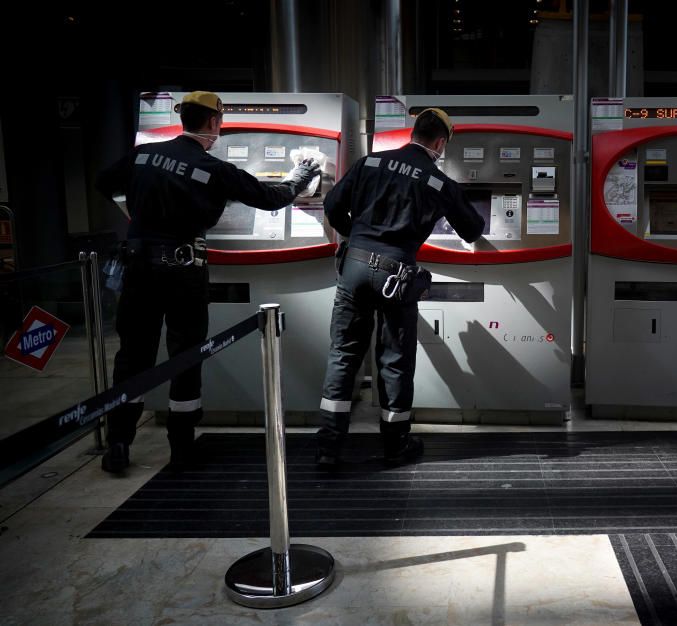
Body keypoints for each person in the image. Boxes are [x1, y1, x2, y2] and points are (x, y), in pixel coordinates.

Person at [95, 91, 320, 473]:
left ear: (184, 120)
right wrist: (301, 174)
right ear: (215, 123)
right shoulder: (214, 169)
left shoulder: (143, 155)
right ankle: (182, 449)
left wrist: (140, 209)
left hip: (139, 268)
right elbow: (272, 197)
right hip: (184, 270)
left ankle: (118, 444)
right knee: (186, 356)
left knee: (133, 356)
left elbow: (105, 183)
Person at [317, 107, 485, 470]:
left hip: (355, 268)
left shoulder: (369, 163)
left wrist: (359, 238)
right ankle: (396, 445)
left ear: (414, 133)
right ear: (440, 142)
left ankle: (328, 447)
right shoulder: (438, 182)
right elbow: (472, 229)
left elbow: (331, 206)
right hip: (396, 275)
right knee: (394, 360)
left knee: (344, 354)